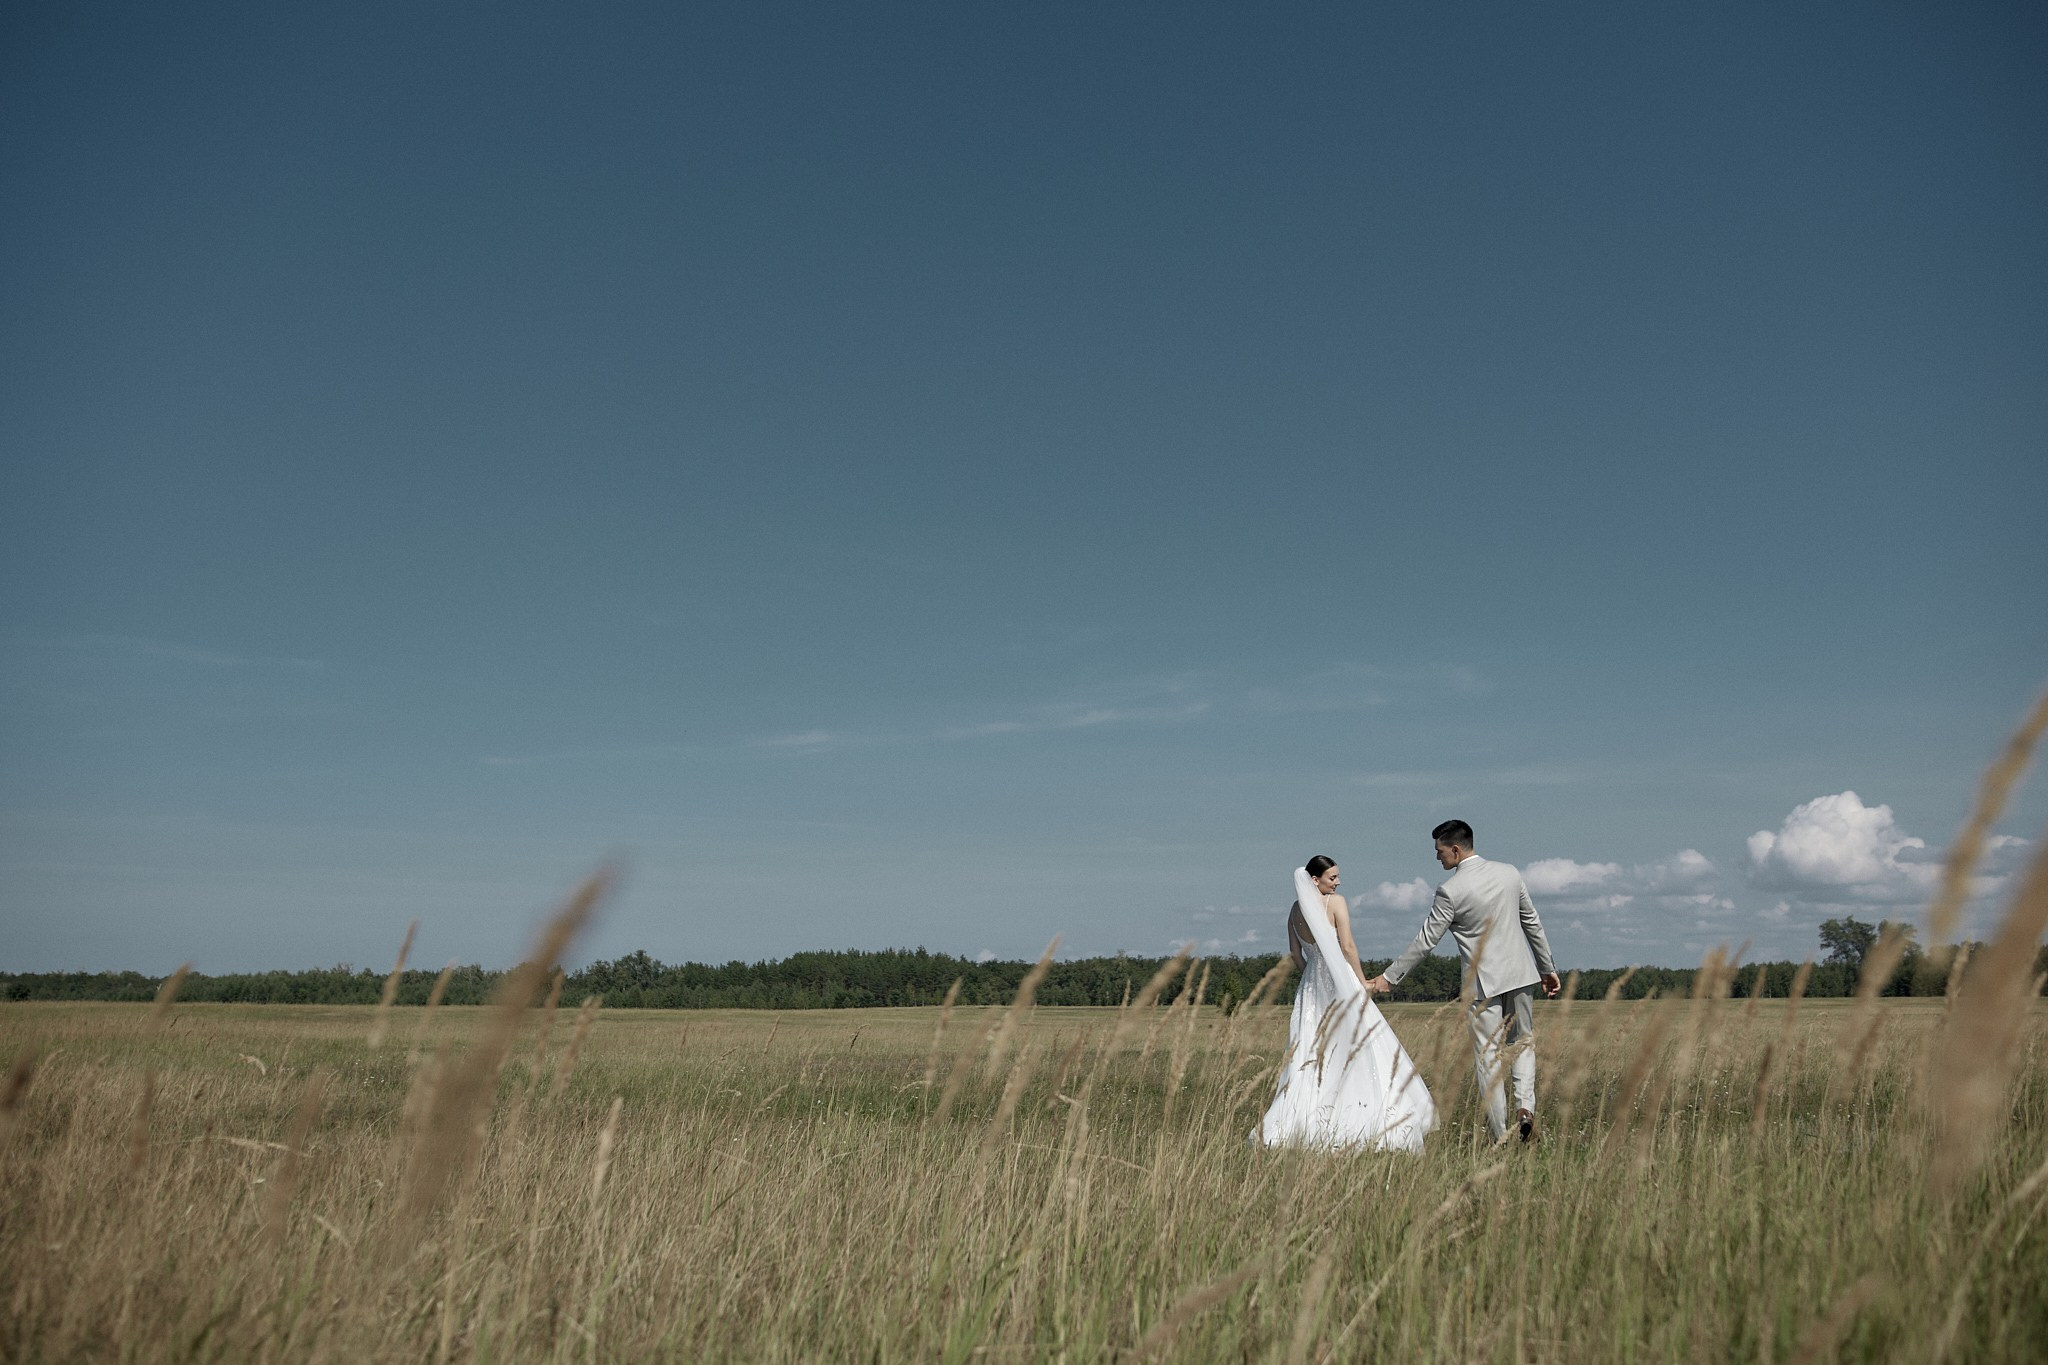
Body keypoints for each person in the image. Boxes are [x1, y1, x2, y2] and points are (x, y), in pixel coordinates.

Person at [1366, 820, 1561, 1144]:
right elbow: (1532, 921)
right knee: (1523, 1043)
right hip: (1522, 975)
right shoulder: (1510, 873)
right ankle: (1525, 1108)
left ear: (1455, 849)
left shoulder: (1451, 891)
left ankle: (1502, 1137)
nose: (1437, 858)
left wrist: (1389, 978)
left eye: (1439, 852)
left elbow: (1426, 941)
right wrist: (1547, 967)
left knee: (1488, 1059)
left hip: (1483, 986)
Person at [1257, 857, 1435, 1152]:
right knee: (1358, 1043)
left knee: (1312, 1048)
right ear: (1315, 880)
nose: (1337, 882)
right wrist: (1362, 981)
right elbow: (1348, 946)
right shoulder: (1335, 903)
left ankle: (1303, 1116)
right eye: (1332, 877)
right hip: (1340, 978)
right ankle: (1364, 1114)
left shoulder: (1294, 909)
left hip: (1312, 984)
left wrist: (1311, 977)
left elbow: (1295, 953)